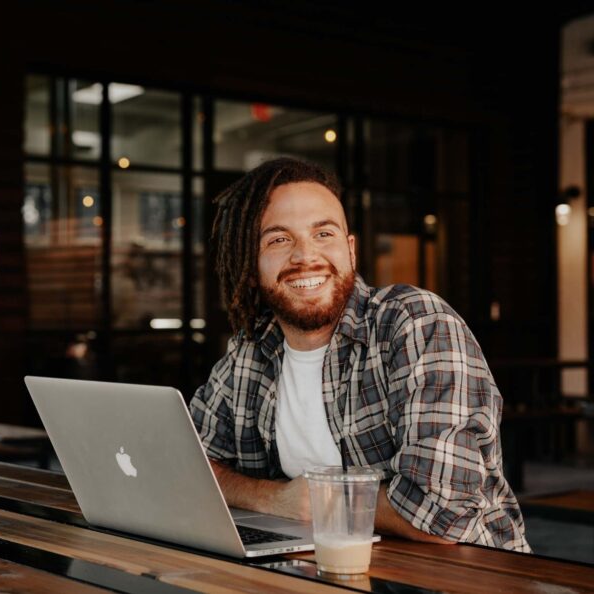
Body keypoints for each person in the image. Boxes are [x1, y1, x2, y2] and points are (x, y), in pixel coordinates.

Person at [189, 157, 530, 552]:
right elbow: (191, 464)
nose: (305, 256)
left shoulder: (415, 323)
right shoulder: (251, 352)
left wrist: (319, 501)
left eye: (324, 234)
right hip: (330, 571)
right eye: (279, 239)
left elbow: (442, 514)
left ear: (350, 250)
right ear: (252, 266)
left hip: (466, 575)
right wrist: (273, 499)